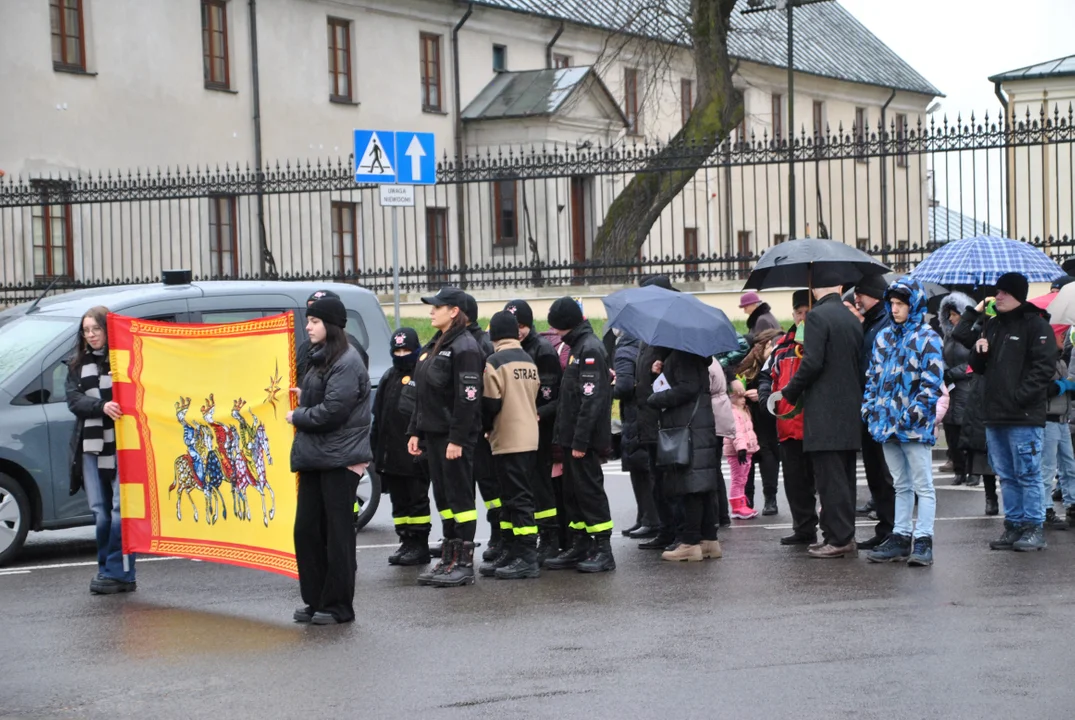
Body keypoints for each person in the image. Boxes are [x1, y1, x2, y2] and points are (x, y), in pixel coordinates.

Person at [288, 295, 372, 624]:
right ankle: (315, 599)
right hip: (315, 456)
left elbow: (334, 411)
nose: (307, 326)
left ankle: (338, 605)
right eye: (309, 320)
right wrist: (304, 397)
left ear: (331, 325)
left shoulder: (348, 359)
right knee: (307, 530)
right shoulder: (318, 356)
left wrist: (297, 414)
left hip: (340, 459)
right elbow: (325, 396)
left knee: (337, 535)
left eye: (315, 321)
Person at [969, 273, 1058, 552]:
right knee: (1005, 474)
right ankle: (1014, 525)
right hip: (995, 414)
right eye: (997, 291)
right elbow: (978, 366)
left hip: (1023, 416)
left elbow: (1043, 368)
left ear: (1018, 294)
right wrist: (979, 353)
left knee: (1027, 473)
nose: (998, 297)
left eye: (1004, 292)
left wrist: (1020, 397)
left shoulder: (1036, 325)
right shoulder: (992, 326)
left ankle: (1033, 527)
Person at [780, 269, 864, 559]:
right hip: (849, 410)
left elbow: (812, 363)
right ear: (840, 285)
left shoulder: (816, 317)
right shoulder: (850, 317)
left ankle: (838, 538)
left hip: (825, 413)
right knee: (844, 478)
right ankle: (843, 534)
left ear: (814, 288)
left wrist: (790, 391)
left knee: (830, 480)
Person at [862, 277, 943, 567]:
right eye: (892, 303)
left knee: (923, 486)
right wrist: (870, 410)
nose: (894, 309)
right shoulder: (884, 337)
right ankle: (900, 536)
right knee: (901, 484)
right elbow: (873, 378)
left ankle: (923, 541)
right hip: (886, 425)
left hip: (913, 427)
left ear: (914, 305)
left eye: (900, 304)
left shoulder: (927, 337)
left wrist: (911, 414)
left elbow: (932, 383)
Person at [407, 287, 484, 586]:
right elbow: (422, 393)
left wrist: (457, 439)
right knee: (444, 498)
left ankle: (463, 563)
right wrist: (416, 431)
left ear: (454, 311)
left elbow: (468, 399)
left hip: (454, 438)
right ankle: (449, 558)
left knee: (460, 498)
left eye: (437, 307)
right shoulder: (435, 345)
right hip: (435, 435)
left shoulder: (465, 347)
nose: (431, 311)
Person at [543, 297, 616, 572]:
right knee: (573, 495)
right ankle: (580, 544)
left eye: (557, 328)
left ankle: (603, 549)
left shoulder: (589, 349)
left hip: (581, 441)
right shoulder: (577, 347)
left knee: (590, 493)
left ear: (566, 325)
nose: (556, 334)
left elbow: (592, 400)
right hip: (571, 438)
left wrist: (581, 441)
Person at [67, 306, 135, 595]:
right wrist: (101, 407)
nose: (91, 335)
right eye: (86, 330)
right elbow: (74, 401)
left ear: (108, 329)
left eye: (96, 329)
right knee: (101, 511)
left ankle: (121, 573)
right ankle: (105, 570)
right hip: (91, 447)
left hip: (123, 445)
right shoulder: (76, 365)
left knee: (121, 511)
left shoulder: (125, 361)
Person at [479, 311, 543, 579]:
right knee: (519, 496)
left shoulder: (495, 361)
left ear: (493, 334)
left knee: (516, 499)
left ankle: (526, 557)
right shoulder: (528, 359)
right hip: (529, 436)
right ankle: (516, 551)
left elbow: (491, 402)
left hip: (507, 438)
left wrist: (483, 426)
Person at [647, 349, 723, 562]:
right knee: (703, 486)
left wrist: (656, 398)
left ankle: (690, 542)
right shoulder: (696, 355)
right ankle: (708, 540)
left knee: (691, 487)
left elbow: (686, 388)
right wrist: (658, 374)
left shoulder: (682, 356)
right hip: (699, 426)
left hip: (687, 427)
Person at [504, 299, 565, 562]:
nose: (518, 330)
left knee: (541, 485)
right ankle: (529, 538)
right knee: (522, 487)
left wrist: (536, 413)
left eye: (522, 325)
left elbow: (553, 397)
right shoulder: (509, 349)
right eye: (513, 325)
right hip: (516, 429)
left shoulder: (542, 350)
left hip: (540, 429)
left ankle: (550, 539)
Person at [759, 290, 819, 546]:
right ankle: (803, 528)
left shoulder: (821, 341)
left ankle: (831, 531)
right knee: (795, 484)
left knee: (822, 483)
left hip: (817, 426)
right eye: (798, 313)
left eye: (807, 312)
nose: (803, 317)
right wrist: (765, 398)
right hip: (787, 425)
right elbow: (765, 376)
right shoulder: (782, 345)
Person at [372, 327, 431, 566]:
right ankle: (406, 541)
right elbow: (379, 414)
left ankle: (419, 545)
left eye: (406, 349)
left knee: (416, 499)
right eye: (397, 350)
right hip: (391, 454)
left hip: (413, 454)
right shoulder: (389, 376)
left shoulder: (421, 374)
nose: (402, 354)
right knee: (399, 503)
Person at [852, 273, 896, 551]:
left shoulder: (884, 323)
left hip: (882, 409)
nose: (857, 299)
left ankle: (893, 530)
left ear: (877, 296)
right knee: (875, 474)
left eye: (861, 294)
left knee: (885, 473)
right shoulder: (870, 322)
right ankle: (884, 529)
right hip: (870, 408)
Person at [460, 294, 504, 568]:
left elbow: (489, 392)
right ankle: (459, 541)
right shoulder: (458, 341)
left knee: (490, 487)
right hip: (463, 429)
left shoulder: (480, 344)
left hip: (480, 430)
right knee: (465, 487)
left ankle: (499, 536)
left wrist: (487, 425)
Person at [611, 327, 660, 538]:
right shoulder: (644, 344)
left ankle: (649, 519)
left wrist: (608, 385)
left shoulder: (623, 350)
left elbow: (623, 387)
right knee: (645, 469)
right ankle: (645, 517)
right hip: (647, 413)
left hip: (634, 415)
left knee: (640, 470)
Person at [952, 307, 1000, 515]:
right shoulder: (983, 330)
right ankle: (991, 497)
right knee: (983, 447)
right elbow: (960, 332)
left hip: (1003, 394)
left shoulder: (1015, 329)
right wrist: (977, 310)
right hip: (982, 394)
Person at [734, 328, 783, 515]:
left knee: (768, 455)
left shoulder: (776, 362)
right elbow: (733, 380)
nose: (774, 350)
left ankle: (770, 499)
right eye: (771, 345)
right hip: (746, 417)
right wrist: (741, 395)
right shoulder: (746, 364)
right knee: (746, 458)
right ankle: (747, 500)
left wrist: (763, 394)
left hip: (767, 417)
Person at [937, 292, 977, 485]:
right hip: (951, 388)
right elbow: (943, 356)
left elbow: (974, 363)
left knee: (966, 430)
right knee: (951, 431)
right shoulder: (948, 336)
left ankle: (972, 471)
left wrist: (955, 372)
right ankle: (959, 470)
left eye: (955, 314)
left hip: (967, 387)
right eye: (949, 315)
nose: (952, 318)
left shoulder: (973, 334)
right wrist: (943, 369)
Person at [296, 289, 369, 377]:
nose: (308, 327)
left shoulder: (349, 350)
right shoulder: (306, 347)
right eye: (310, 307)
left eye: (315, 321)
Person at [725, 380, 761, 519]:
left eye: (743, 397)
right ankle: (737, 506)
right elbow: (738, 432)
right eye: (739, 397)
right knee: (738, 479)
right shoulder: (733, 413)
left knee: (742, 478)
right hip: (738, 452)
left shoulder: (743, 411)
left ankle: (741, 504)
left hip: (746, 451)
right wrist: (741, 448)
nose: (743, 400)